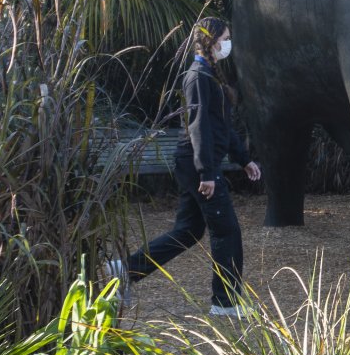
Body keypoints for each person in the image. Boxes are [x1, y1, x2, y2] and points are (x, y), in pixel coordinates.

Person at [105, 17, 261, 316]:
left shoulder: (209, 75)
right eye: (226, 37)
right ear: (213, 40)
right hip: (196, 166)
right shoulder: (197, 76)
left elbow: (222, 127)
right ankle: (224, 303)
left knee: (188, 230)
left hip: (197, 164)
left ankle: (125, 271)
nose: (229, 43)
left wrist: (245, 160)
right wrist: (207, 173)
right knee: (227, 231)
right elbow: (198, 125)